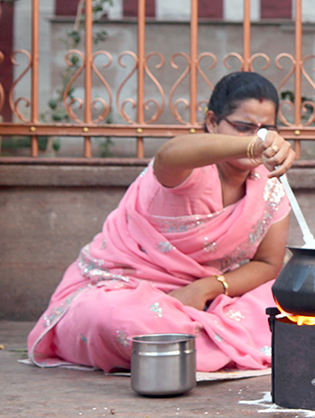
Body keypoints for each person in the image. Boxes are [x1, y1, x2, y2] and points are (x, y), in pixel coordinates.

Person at [28, 72, 297, 372]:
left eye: (266, 130)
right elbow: (168, 155)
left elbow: (268, 264)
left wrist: (207, 288)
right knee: (114, 318)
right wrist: (251, 146)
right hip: (126, 291)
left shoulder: (269, 186)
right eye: (244, 127)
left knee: (291, 305)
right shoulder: (189, 168)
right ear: (212, 122)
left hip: (212, 298)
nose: (258, 138)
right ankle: (214, 344)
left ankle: (194, 342)